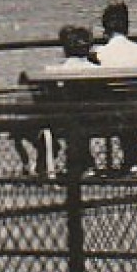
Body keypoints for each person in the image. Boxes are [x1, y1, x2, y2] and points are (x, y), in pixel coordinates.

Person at [97, 0, 137, 176]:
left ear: (105, 28)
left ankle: (89, 164)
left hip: (113, 116)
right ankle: (132, 162)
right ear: (127, 25)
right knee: (133, 103)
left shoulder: (100, 53)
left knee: (120, 103)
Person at [51, 25, 99, 176]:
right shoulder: (98, 70)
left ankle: (78, 165)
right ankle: (87, 163)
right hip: (98, 119)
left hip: (67, 121)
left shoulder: (58, 71)